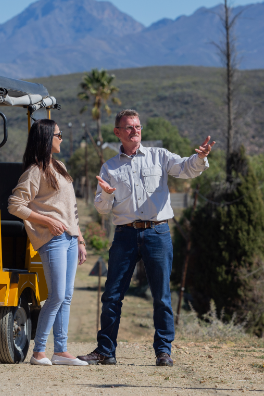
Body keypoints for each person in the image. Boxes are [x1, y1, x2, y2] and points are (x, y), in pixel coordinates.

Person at [77, 109, 215, 367]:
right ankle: (106, 351)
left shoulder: (159, 156)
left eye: (137, 126)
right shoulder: (109, 167)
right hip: (125, 235)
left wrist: (200, 157)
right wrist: (107, 194)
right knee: (112, 295)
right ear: (117, 132)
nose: (135, 130)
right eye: (128, 127)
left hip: (157, 232)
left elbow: (186, 169)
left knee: (162, 295)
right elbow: (102, 208)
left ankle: (163, 352)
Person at [8, 119, 89, 366]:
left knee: (66, 295)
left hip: (70, 238)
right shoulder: (34, 171)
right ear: (46, 138)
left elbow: (70, 208)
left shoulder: (60, 167)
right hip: (51, 239)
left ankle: (61, 351)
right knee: (56, 295)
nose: (61, 138)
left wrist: (81, 238)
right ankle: (39, 352)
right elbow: (15, 205)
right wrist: (46, 221)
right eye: (58, 134)